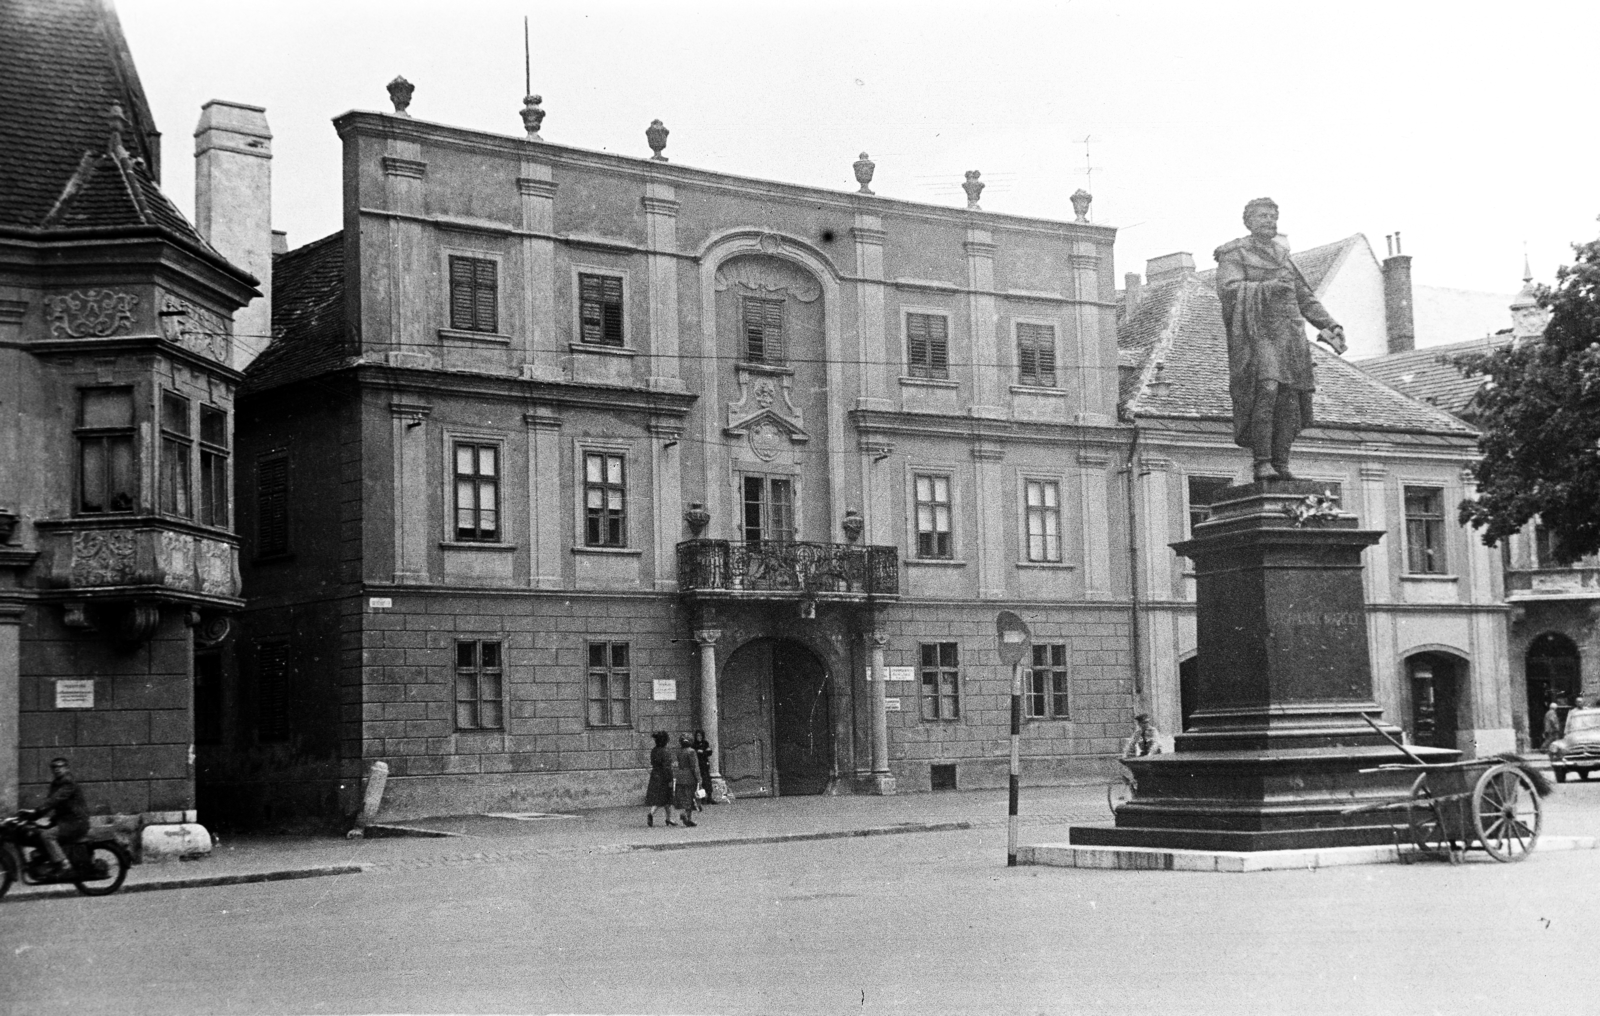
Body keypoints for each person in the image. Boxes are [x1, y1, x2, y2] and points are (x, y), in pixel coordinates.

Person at [1214, 198, 1347, 482]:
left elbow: (1305, 296)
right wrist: (1268, 287)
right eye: (1263, 216)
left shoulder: (1283, 255)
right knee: (1267, 390)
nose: (1270, 221)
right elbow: (1229, 290)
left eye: (1274, 216)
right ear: (1248, 221)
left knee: (1290, 398)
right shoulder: (1234, 253)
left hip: (1289, 334)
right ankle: (1262, 461)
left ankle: (1281, 462)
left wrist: (1330, 324)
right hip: (1257, 334)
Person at [24, 756, 90, 877]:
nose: (57, 769)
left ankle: (64, 864)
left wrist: (35, 813)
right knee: (37, 832)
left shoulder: (68, 783)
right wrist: (33, 815)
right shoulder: (56, 783)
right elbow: (48, 803)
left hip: (75, 822)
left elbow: (53, 801)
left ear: (67, 768)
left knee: (47, 835)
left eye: (61, 766)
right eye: (54, 767)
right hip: (65, 821)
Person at [645, 731, 676, 827]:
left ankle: (668, 818)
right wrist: (670, 779)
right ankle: (652, 813)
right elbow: (667, 767)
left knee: (663, 798)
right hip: (664, 777)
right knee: (665, 798)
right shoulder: (665, 751)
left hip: (655, 775)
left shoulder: (654, 750)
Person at [673, 736, 703, 827]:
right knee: (690, 797)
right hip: (689, 776)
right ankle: (686, 815)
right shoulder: (691, 751)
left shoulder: (679, 752)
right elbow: (694, 766)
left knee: (683, 796)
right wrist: (699, 778)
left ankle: (688, 819)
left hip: (680, 776)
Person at [691, 730, 715, 803]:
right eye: (698, 736)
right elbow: (695, 753)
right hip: (698, 765)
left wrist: (702, 752)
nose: (699, 737)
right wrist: (702, 751)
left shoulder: (705, 743)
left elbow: (709, 752)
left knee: (707, 780)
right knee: (700, 781)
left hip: (705, 764)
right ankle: (702, 797)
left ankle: (709, 797)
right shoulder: (694, 744)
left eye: (700, 736)